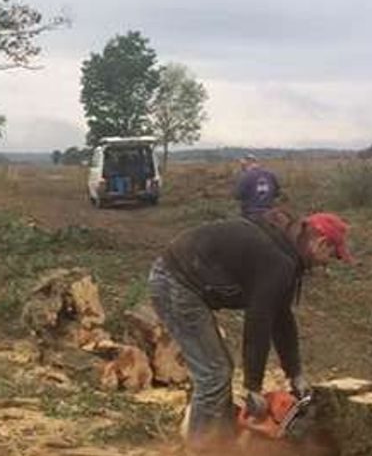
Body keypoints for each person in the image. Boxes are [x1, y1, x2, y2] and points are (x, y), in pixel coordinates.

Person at [148, 210, 352, 440]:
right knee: (214, 373)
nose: (326, 263)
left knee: (219, 369)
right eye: (332, 255)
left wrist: (294, 373)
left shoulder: (285, 253)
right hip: (176, 282)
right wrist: (253, 387)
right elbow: (258, 322)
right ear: (321, 243)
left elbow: (281, 317)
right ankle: (201, 454)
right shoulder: (279, 261)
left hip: (182, 277)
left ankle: (221, 441)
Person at [233, 155, 283, 220]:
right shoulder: (271, 175)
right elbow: (277, 193)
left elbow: (237, 195)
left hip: (250, 213)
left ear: (245, 165)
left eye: (242, 165)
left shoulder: (245, 176)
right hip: (269, 212)